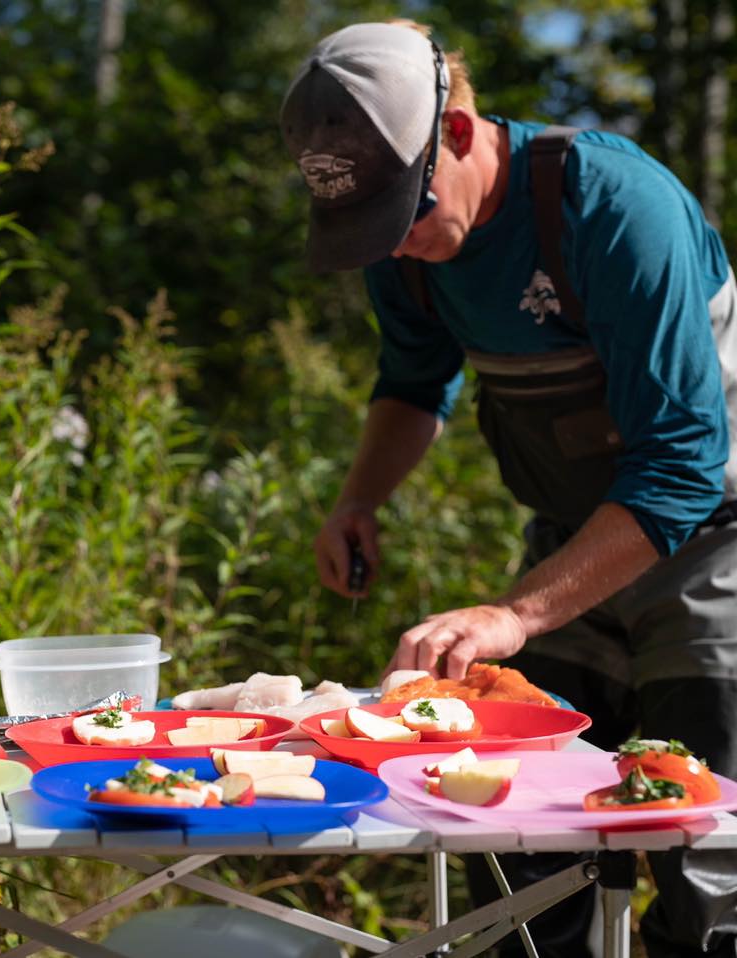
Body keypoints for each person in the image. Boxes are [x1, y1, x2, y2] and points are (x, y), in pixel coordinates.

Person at [280, 19, 737, 958]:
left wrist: (515, 615)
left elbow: (683, 463)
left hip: (715, 540)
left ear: (457, 132)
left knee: (706, 865)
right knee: (520, 856)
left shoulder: (612, 207)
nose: (394, 247)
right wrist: (358, 501)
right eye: (367, 228)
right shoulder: (402, 246)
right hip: (575, 539)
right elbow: (414, 384)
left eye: (403, 214)